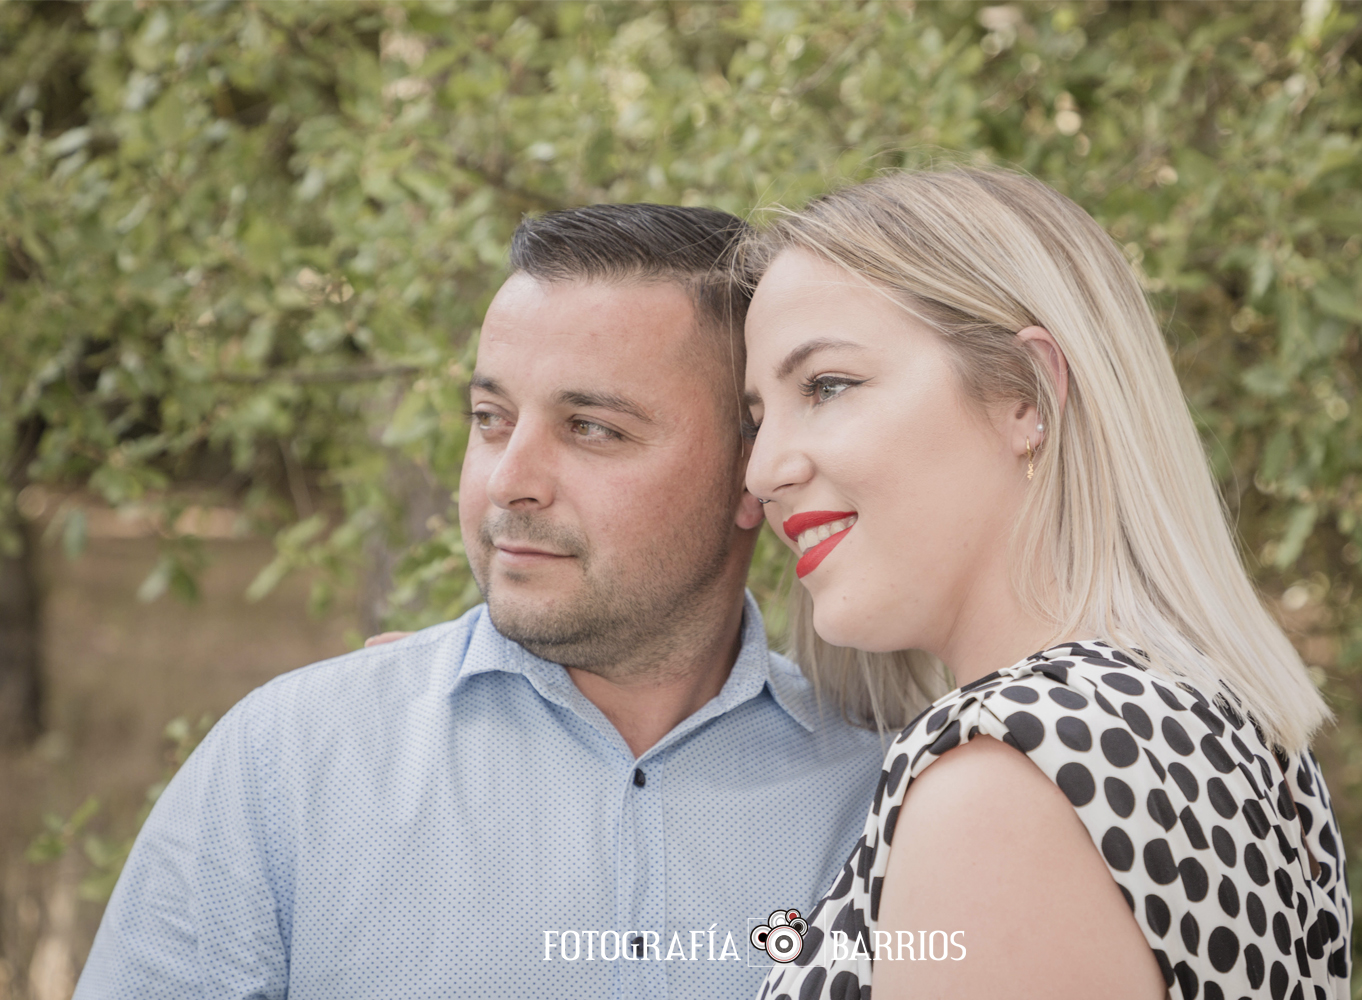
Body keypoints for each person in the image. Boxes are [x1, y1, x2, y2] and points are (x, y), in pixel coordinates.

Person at [74, 204, 886, 999]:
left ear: (753, 470)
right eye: (491, 419)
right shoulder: (288, 765)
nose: (509, 481)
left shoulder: (874, 794)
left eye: (592, 428)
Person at [739, 168, 1351, 1000]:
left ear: (1024, 395)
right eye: (757, 418)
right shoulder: (1235, 733)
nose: (763, 471)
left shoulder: (1004, 780)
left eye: (827, 386)